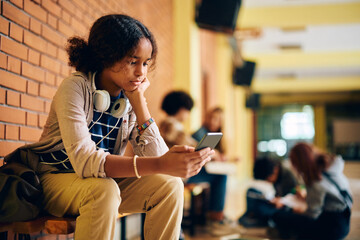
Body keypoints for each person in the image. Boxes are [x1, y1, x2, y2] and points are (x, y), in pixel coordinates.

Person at [4, 14, 214, 240]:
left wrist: (139, 103)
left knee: (170, 186)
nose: (141, 72)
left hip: (100, 183)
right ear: (107, 56)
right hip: (52, 180)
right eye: (133, 61)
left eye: (145, 63)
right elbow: (85, 161)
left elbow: (160, 159)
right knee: (103, 190)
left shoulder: (129, 99)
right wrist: (161, 163)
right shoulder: (75, 88)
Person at [166, 106, 237, 236]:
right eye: (187, 110)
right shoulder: (171, 126)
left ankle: (216, 217)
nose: (188, 115)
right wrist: (213, 154)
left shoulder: (177, 126)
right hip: (181, 172)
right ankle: (216, 219)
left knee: (220, 176)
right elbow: (192, 148)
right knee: (221, 176)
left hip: (185, 169)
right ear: (181, 109)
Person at [271, 142, 352, 239]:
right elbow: (331, 198)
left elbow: (312, 214)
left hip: (332, 227)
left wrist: (293, 209)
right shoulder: (331, 170)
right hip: (344, 222)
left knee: (279, 216)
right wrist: (305, 198)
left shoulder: (316, 180)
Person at [238, 156, 302, 227]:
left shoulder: (288, 176)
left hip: (284, 207)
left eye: (267, 178)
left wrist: (282, 202)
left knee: (258, 205)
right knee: (251, 192)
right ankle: (254, 216)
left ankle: (258, 218)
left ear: (274, 171)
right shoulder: (277, 174)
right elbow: (277, 195)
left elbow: (295, 196)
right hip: (276, 204)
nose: (268, 181)